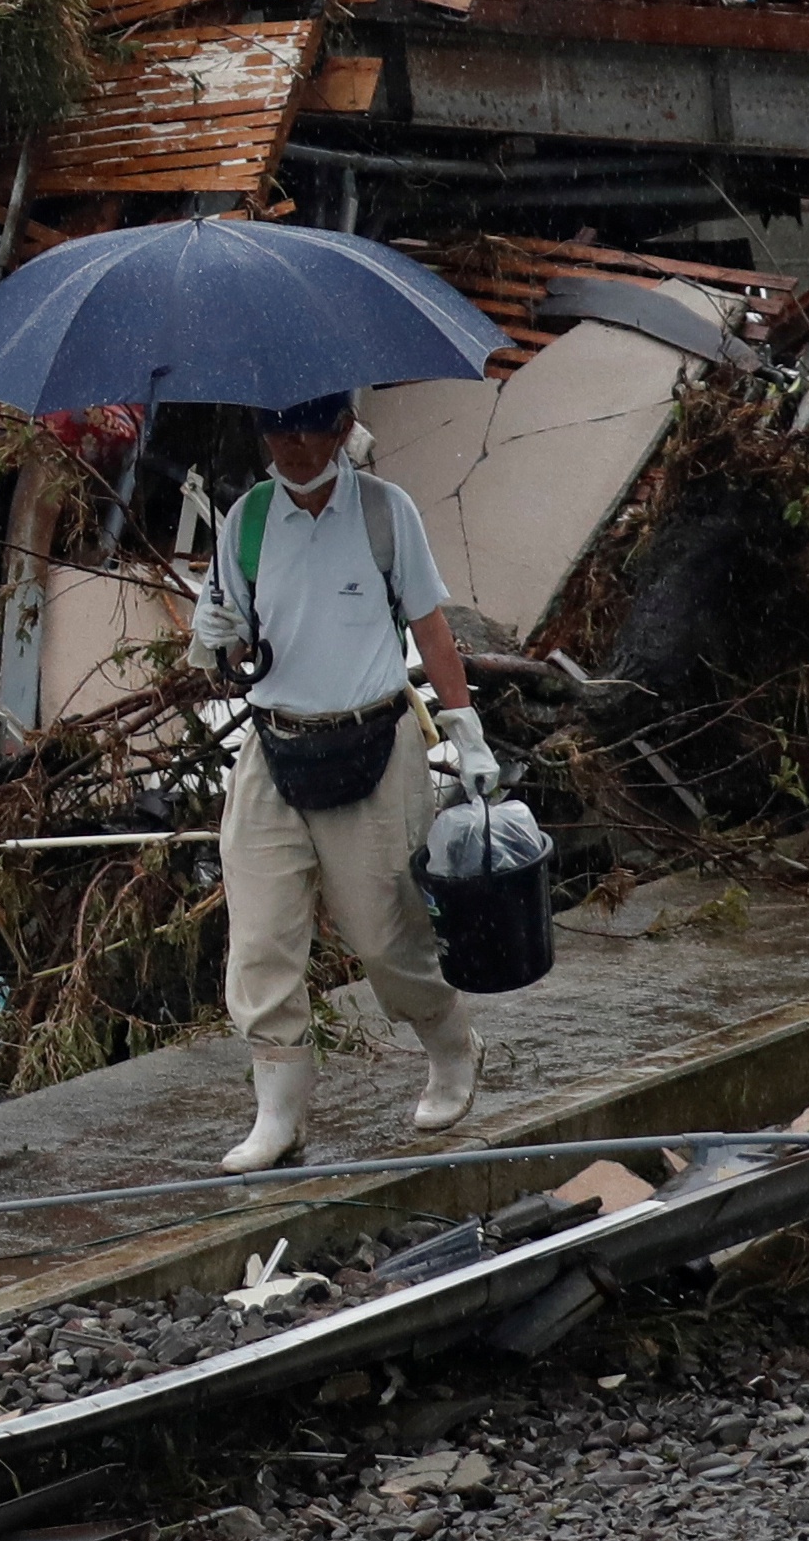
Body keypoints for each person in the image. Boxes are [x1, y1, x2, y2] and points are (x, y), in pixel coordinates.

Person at [190, 393, 499, 1172]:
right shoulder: (247, 523)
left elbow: (430, 627)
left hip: (372, 743)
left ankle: (452, 1048)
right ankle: (279, 1113)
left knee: (386, 934)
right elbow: (231, 653)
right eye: (277, 428)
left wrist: (465, 729)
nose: (293, 444)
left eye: (309, 427)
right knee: (260, 938)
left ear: (340, 429)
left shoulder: (385, 514)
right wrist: (218, 638)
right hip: (274, 749)